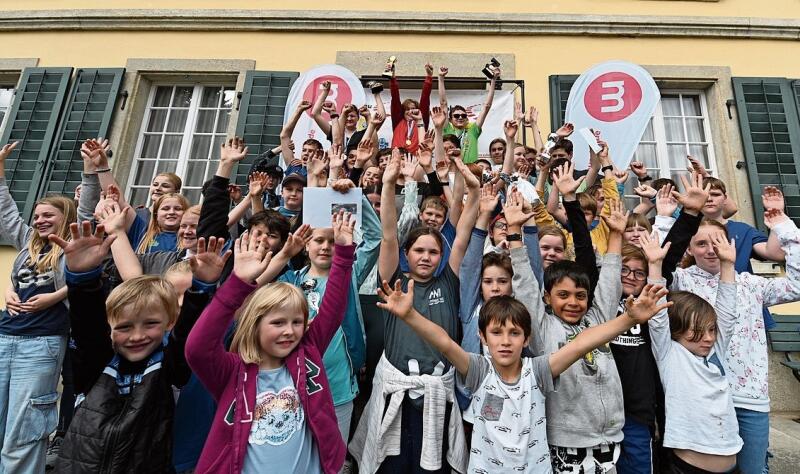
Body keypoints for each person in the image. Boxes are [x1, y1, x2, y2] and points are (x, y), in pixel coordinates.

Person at [376, 276, 670, 473]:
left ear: (526, 339)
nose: (505, 341)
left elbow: (583, 342)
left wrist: (628, 319)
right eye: (497, 333)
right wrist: (410, 314)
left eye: (514, 333)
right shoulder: (478, 370)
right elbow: (443, 341)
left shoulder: (539, 371)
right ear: (483, 337)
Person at [185, 212, 356, 474]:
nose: (289, 331)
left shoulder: (307, 353)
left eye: (297, 322)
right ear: (255, 324)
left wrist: (343, 253)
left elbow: (333, 308)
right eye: (277, 323)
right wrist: (238, 283)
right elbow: (197, 348)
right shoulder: (232, 371)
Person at [49, 221, 227, 471]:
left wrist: (200, 291)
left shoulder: (169, 367)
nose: (136, 336)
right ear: (109, 327)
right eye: (124, 327)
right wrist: (82, 278)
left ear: (170, 322)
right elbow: (87, 327)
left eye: (150, 324)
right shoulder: (97, 364)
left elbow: (186, 338)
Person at [348, 152, 477, 474]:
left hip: (437, 394)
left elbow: (462, 237)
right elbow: (388, 234)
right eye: (419, 250)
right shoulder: (395, 281)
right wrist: (389, 184)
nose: (426, 257)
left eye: (433, 252)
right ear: (407, 254)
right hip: (398, 393)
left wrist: (473, 192)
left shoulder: (448, 280)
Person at [669, 208, 800, 474]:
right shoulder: (680, 281)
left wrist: (784, 227)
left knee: (753, 469)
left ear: (730, 244)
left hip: (749, 397)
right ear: (689, 249)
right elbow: (657, 265)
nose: (710, 249)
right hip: (701, 398)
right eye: (701, 243)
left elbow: (796, 286)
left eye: (717, 242)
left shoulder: (752, 284)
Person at [513, 191, 630, 472]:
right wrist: (515, 232)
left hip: (609, 439)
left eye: (580, 295)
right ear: (548, 298)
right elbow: (526, 284)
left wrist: (615, 235)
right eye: (563, 295)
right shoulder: (542, 327)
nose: (573, 302)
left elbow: (610, 285)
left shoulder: (599, 320)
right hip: (566, 441)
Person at [642, 223, 742, 474]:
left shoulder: (715, 353)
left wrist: (728, 265)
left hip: (731, 465)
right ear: (677, 329)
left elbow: (727, 314)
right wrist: (654, 266)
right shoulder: (670, 354)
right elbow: (657, 316)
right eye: (697, 331)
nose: (707, 338)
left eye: (711, 330)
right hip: (688, 468)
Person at [0, 141, 73, 472]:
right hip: (5, 335)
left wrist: (56, 297)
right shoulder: (26, 243)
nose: (40, 220)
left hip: (42, 342)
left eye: (48, 215)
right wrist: (9, 292)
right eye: (37, 216)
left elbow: (87, 281)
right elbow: (6, 211)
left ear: (64, 219)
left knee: (25, 428)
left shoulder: (74, 248)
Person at [438, 65, 500, 164]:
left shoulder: (473, 130)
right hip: (450, 169)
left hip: (471, 171)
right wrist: (441, 78)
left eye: (463, 115)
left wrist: (493, 81)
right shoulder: (447, 129)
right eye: (456, 116)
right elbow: (443, 104)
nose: (460, 117)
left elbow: (486, 107)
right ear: (450, 119)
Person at [388, 62, 433, 153]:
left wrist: (429, 77)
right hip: (398, 159)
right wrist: (392, 78)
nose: (410, 111)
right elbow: (395, 98)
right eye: (407, 109)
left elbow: (425, 99)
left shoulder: (421, 122)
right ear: (402, 112)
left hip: (417, 161)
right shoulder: (398, 121)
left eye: (413, 108)